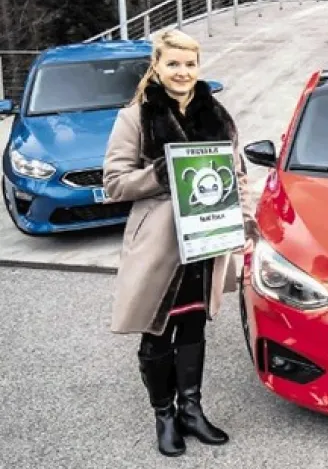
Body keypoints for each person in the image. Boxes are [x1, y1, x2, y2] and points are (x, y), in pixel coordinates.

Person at [102, 29, 257, 457]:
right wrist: (160, 173)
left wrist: (244, 224)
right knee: (157, 330)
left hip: (206, 242)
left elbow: (237, 177)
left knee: (193, 326)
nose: (182, 72)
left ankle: (191, 410)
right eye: (173, 64)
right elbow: (114, 183)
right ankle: (164, 415)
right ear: (157, 66)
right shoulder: (135, 118)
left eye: (190, 64)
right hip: (160, 245)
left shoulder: (218, 116)